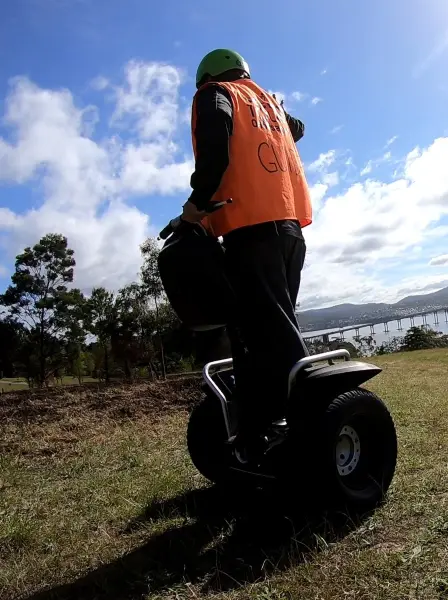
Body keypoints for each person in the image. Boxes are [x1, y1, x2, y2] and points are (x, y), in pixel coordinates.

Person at [181, 48, 313, 465]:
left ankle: (312, 429)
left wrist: (197, 203)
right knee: (262, 333)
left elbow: (216, 148)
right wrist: (274, 106)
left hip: (251, 232)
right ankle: (261, 427)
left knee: (271, 334)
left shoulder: (214, 93)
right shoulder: (266, 103)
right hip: (289, 230)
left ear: (206, 77)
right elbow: (299, 128)